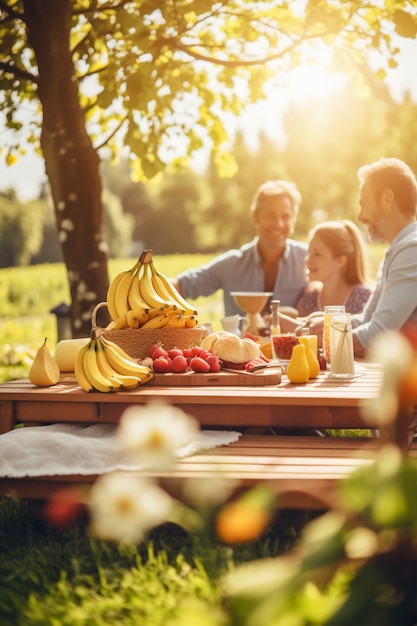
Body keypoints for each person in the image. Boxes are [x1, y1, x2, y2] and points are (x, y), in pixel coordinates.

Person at [310, 157, 417, 358]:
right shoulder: (397, 250)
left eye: (364, 205)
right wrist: (326, 326)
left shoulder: (412, 249)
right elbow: (367, 319)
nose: (360, 216)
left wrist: (323, 342)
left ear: (387, 199)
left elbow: (378, 334)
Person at [172, 180, 308, 317]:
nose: (278, 224)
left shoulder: (309, 259)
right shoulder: (232, 265)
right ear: (255, 216)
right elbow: (181, 286)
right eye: (270, 216)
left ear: (294, 219)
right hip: (238, 339)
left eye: (286, 216)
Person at [277, 219, 373, 334]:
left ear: (340, 261)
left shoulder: (363, 298)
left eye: (317, 254)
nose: (307, 260)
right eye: (309, 253)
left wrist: (294, 326)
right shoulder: (309, 298)